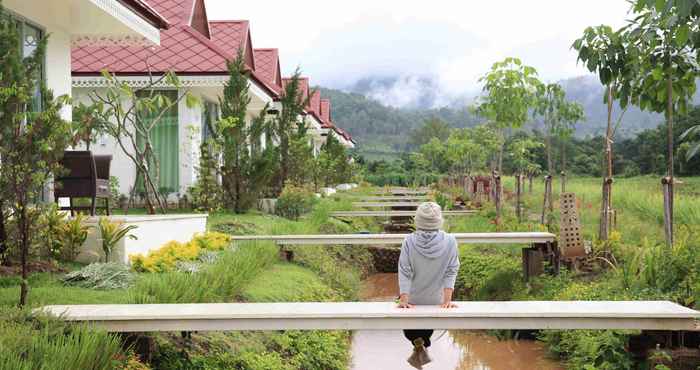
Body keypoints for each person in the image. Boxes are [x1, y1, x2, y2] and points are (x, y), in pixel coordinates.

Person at [397, 202, 460, 369]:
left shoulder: (409, 241)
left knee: (410, 330)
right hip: (436, 300)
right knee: (426, 328)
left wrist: (404, 300)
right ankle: (422, 345)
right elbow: (451, 271)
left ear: (418, 220)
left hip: (412, 299)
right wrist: (447, 300)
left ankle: (419, 345)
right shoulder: (450, 241)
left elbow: (405, 272)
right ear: (439, 221)